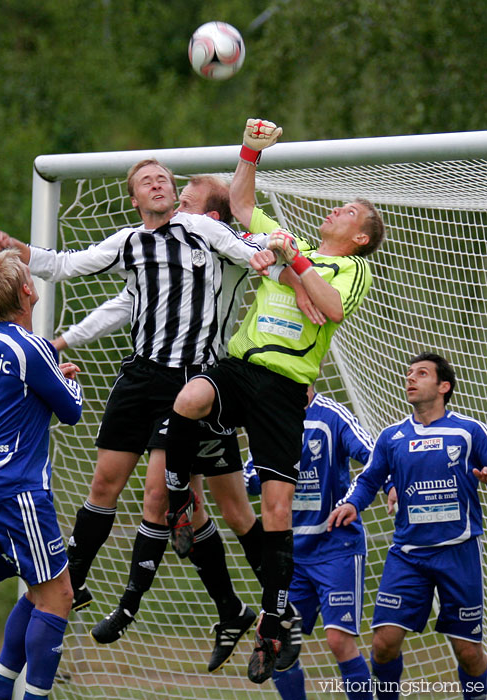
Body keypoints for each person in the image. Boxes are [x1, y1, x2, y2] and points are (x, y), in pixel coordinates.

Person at [0, 162, 281, 673]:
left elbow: (244, 248)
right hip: (140, 377)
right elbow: (67, 265)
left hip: (191, 382)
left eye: (165, 178)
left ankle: (142, 604)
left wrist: (265, 255)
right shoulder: (127, 244)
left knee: (169, 497)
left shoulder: (201, 229)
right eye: (147, 180)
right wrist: (18, 248)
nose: (159, 183)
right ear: (134, 200)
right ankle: (75, 580)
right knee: (105, 482)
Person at [164, 118, 386, 684]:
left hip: (286, 391)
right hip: (242, 369)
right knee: (187, 399)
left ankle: (272, 622)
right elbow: (240, 204)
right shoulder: (294, 247)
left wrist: (293, 263)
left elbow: (332, 307)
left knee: (276, 511)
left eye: (347, 213)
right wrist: (250, 153)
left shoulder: (350, 267)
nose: (334, 211)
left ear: (360, 236)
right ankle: (183, 504)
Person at [328, 352, 487, 700]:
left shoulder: (469, 431)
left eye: (422, 373)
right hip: (409, 555)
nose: (410, 378)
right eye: (409, 373)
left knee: (469, 652)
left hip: (458, 552)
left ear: (444, 386)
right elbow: (369, 479)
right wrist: (352, 504)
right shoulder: (392, 437)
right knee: (383, 644)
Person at [0, 249, 83, 700]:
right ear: (28, 290)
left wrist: (41, 382)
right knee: (59, 596)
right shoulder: (34, 348)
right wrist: (66, 379)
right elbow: (71, 410)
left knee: (39, 592)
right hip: (20, 490)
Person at [245, 384, 376, 700]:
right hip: (290, 554)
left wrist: (360, 496)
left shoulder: (332, 415)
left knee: (338, 640)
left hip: (336, 548)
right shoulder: (270, 418)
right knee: (273, 639)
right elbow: (249, 479)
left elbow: (374, 456)